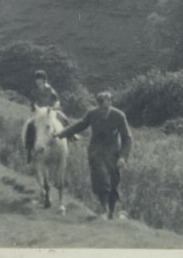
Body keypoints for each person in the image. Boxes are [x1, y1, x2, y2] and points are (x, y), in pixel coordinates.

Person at [56, 91, 132, 220]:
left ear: (111, 103)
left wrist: (123, 157)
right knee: (100, 177)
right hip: (96, 151)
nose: (105, 108)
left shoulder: (119, 116)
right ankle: (104, 208)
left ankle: (111, 212)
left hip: (113, 152)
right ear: (98, 105)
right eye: (102, 105)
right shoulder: (92, 114)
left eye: (108, 103)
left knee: (114, 183)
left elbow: (127, 137)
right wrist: (62, 133)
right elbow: (80, 125)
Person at [24, 70, 72, 162]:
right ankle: (29, 149)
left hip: (50, 111)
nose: (38, 81)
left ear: (44, 80)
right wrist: (33, 111)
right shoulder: (34, 91)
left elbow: (57, 101)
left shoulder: (50, 89)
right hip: (39, 112)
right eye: (37, 79)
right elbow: (32, 104)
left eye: (40, 79)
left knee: (64, 119)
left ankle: (69, 138)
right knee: (30, 125)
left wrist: (54, 107)